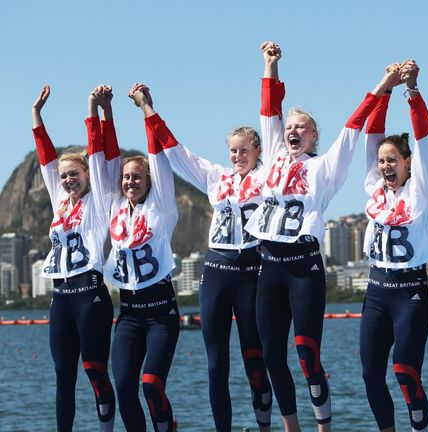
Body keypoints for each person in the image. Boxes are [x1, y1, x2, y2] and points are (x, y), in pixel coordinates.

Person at [243, 42, 381, 432]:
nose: (291, 131)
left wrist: (381, 87)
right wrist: (269, 65)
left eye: (300, 127)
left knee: (306, 353)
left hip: (304, 269)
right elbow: (268, 111)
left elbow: (354, 129)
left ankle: (324, 427)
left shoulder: (324, 167)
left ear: (314, 135)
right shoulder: (271, 156)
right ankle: (292, 428)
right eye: (289, 128)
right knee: (271, 356)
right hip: (268, 266)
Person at [155, 42, 280, 432]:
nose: (237, 156)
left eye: (244, 150)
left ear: (257, 150)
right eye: (233, 151)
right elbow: (176, 153)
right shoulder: (216, 177)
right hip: (217, 268)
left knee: (253, 355)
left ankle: (263, 425)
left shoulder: (267, 175)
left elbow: (271, 115)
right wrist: (148, 110)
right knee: (215, 362)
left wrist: (269, 67)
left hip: (252, 269)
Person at [359, 60, 428, 432]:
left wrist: (412, 92)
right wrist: (386, 88)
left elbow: (425, 140)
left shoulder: (423, 189)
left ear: (408, 163)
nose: (385, 165)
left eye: (393, 160)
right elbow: (371, 134)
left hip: (410, 290)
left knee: (406, 372)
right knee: (370, 374)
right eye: (382, 161)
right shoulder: (372, 187)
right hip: (376, 290)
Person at [32, 84, 117, 432]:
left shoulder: (98, 202)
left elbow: (100, 155)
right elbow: (46, 160)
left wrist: (93, 110)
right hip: (60, 297)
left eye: (74, 174)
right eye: (64, 175)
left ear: (86, 175)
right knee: (63, 377)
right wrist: (37, 116)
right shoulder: (59, 200)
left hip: (90, 294)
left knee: (95, 370)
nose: (67, 179)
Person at [107, 83, 181, 432]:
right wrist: (104, 112)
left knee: (151, 384)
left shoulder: (161, 208)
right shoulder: (116, 207)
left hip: (161, 312)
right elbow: (101, 163)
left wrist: (146, 108)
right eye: (126, 177)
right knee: (122, 386)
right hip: (129, 313)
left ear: (148, 181)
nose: (130, 181)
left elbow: (158, 157)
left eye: (137, 176)